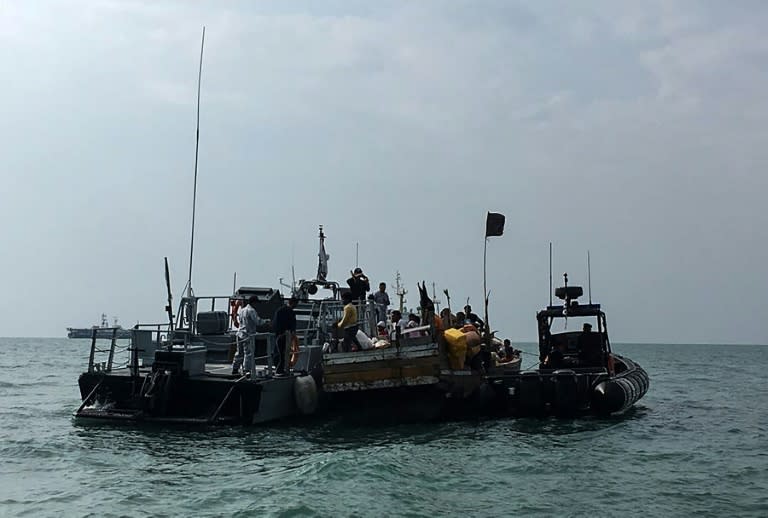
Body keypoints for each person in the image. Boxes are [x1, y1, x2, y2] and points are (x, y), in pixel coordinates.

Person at [232, 295, 265, 376]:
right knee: (248, 353)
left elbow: (240, 322)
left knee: (239, 353)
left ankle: (235, 369)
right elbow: (258, 322)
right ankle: (247, 371)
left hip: (239, 334)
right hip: (247, 335)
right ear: (254, 302)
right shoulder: (252, 311)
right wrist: (266, 321)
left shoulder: (242, 310)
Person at [272, 296, 298, 376]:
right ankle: (281, 370)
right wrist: (292, 333)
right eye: (295, 304)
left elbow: (275, 323)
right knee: (284, 353)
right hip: (285, 335)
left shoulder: (279, 310)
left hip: (278, 334)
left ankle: (276, 366)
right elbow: (292, 325)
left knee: (277, 352)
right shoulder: (291, 312)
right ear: (293, 303)